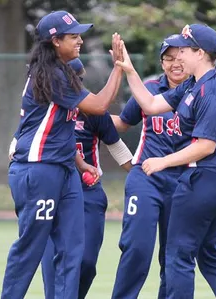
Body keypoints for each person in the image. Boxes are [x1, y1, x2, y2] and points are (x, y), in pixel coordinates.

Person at [0, 10, 125, 299]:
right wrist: (119, 67)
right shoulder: (52, 73)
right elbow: (99, 105)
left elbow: (62, 130)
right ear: (55, 41)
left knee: (72, 250)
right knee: (31, 247)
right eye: (73, 36)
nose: (79, 40)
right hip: (38, 169)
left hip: (65, 169)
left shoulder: (62, 72)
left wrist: (81, 163)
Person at [115, 24, 216, 298]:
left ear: (199, 53)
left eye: (184, 50)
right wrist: (129, 70)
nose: (178, 57)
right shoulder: (193, 84)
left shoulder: (209, 89)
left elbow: (206, 146)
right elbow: (150, 105)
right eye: (172, 55)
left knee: (177, 254)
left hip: (206, 178)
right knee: (210, 254)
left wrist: (162, 162)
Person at [39, 58, 133, 299]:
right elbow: (23, 137)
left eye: (77, 79)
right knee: (54, 264)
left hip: (87, 193)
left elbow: (117, 148)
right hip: (54, 191)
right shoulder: (44, 107)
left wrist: (142, 175)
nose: (73, 84)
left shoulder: (92, 110)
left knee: (87, 263)